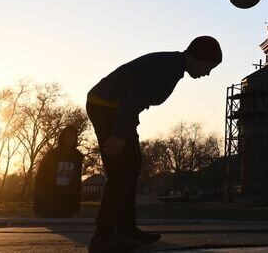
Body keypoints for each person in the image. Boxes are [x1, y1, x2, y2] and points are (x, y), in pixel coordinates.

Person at [85, 36, 223, 252]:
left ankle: (126, 229)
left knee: (131, 166)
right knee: (121, 170)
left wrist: (128, 125)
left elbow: (137, 99)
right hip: (106, 106)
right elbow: (132, 97)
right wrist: (119, 135)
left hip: (116, 110)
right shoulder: (167, 68)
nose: (207, 73)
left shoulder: (173, 67)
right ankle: (102, 237)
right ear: (199, 58)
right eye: (209, 67)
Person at [33, 125, 84, 218]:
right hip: (51, 200)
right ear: (63, 137)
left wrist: (76, 206)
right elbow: (40, 178)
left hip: (67, 202)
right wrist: (38, 207)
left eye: (72, 137)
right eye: (67, 136)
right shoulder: (52, 155)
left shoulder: (77, 157)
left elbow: (77, 183)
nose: (70, 139)